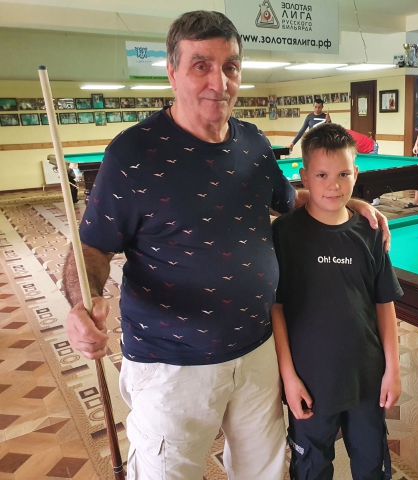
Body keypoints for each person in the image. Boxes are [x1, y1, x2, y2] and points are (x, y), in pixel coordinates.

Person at [61, 11, 388, 480]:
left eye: (230, 66)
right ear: (172, 73)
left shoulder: (253, 142)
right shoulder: (132, 153)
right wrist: (82, 301)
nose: (220, 81)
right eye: (201, 65)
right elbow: (91, 249)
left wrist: (343, 201)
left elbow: (291, 200)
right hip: (171, 365)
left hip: (257, 352)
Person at [271, 123, 403, 480]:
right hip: (311, 381)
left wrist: (393, 368)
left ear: (356, 173)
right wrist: (288, 377)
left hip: (367, 379)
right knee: (311, 469)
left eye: (343, 174)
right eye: (322, 175)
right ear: (304, 177)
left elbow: (384, 303)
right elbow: (276, 309)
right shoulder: (284, 233)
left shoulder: (370, 232)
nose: (334, 185)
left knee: (371, 465)